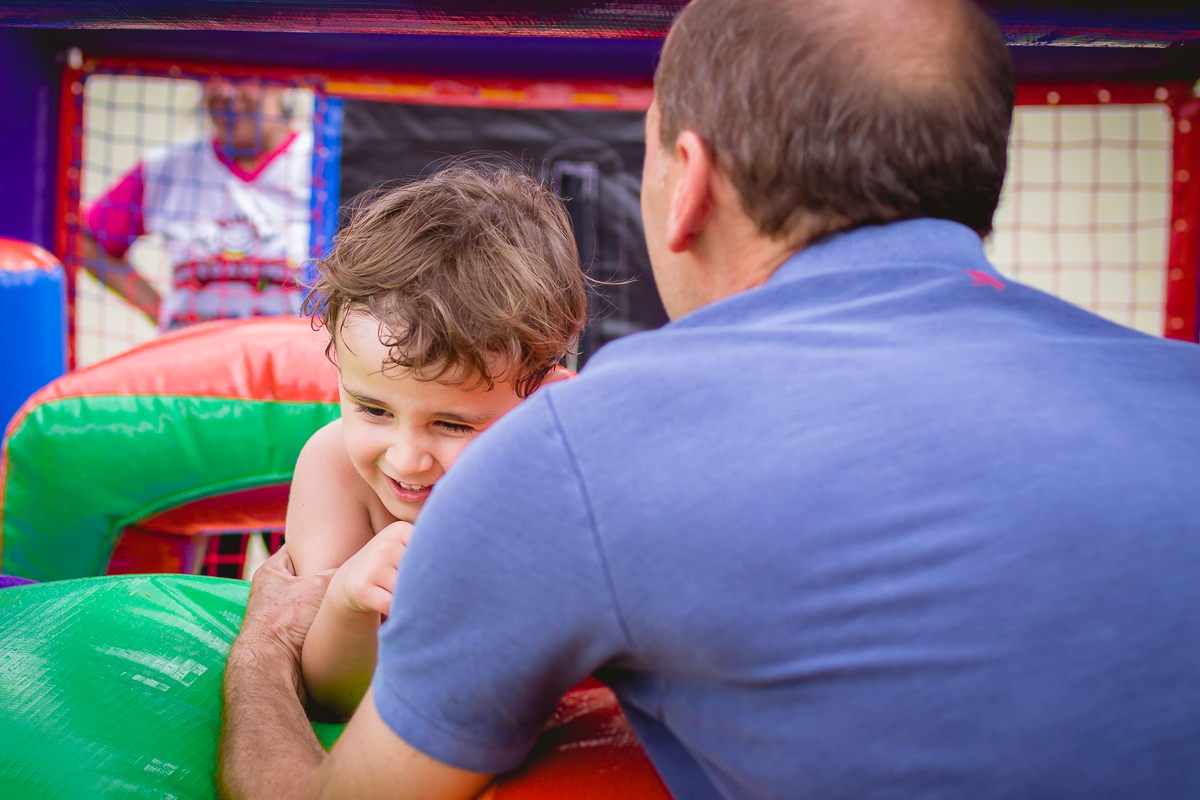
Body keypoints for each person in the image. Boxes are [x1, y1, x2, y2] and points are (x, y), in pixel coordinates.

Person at [220, 0, 1200, 798]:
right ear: (985, 173)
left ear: (686, 181)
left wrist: (262, 646)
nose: (406, 450)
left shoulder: (580, 452)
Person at [285, 165, 586, 720]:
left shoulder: (568, 485)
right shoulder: (336, 473)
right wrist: (348, 604)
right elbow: (328, 698)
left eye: (453, 425)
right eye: (374, 409)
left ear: (546, 408)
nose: (406, 460)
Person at [81, 77, 311, 330]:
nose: (225, 91)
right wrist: (161, 312)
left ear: (282, 81)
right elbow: (86, 239)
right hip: (196, 350)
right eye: (214, 75)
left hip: (289, 351)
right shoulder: (169, 166)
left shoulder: (322, 165)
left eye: (241, 76)